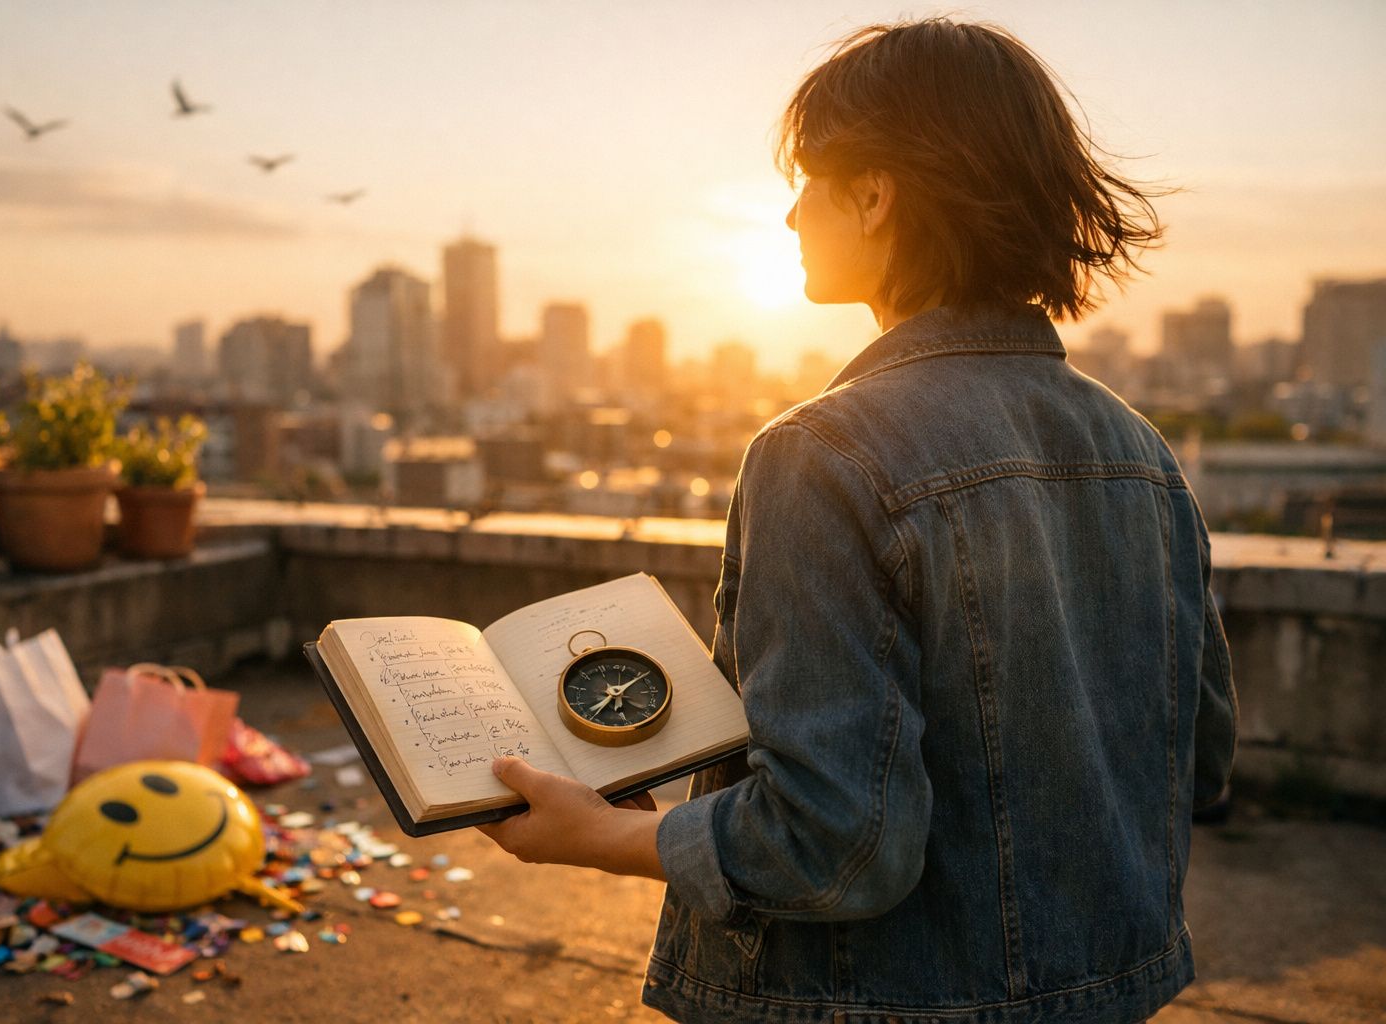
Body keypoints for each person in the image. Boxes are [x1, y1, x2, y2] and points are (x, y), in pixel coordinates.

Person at [478, 17, 1238, 1024]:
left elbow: (834, 841)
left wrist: (602, 834)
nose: (792, 212)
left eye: (809, 180)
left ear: (875, 195)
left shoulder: (824, 453)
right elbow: (1199, 761)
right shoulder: (1142, 455)